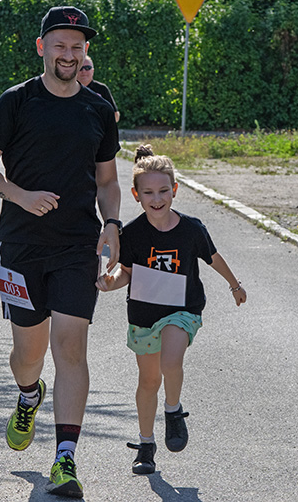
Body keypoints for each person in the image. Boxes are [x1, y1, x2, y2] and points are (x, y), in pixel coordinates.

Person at [0, 6, 121, 499]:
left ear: (85, 53)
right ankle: (28, 396)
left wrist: (113, 225)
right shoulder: (17, 101)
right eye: (60, 45)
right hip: (21, 245)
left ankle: (66, 459)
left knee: (71, 348)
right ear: (42, 48)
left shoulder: (97, 107)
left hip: (78, 245)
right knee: (27, 355)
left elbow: (108, 181)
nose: (69, 54)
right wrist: (21, 195)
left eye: (77, 47)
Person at [96, 144, 247, 475]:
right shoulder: (132, 233)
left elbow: (213, 258)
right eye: (148, 192)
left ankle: (173, 410)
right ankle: (146, 445)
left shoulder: (191, 229)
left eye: (164, 190)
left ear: (175, 190)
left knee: (170, 360)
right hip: (143, 316)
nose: (157, 198)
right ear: (136, 195)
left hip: (183, 310)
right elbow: (127, 273)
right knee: (148, 381)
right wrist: (110, 283)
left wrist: (234, 285)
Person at [77, 55, 120, 123]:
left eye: (88, 68)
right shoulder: (68, 90)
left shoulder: (102, 89)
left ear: (93, 71)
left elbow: (115, 115)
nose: (84, 71)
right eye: (80, 68)